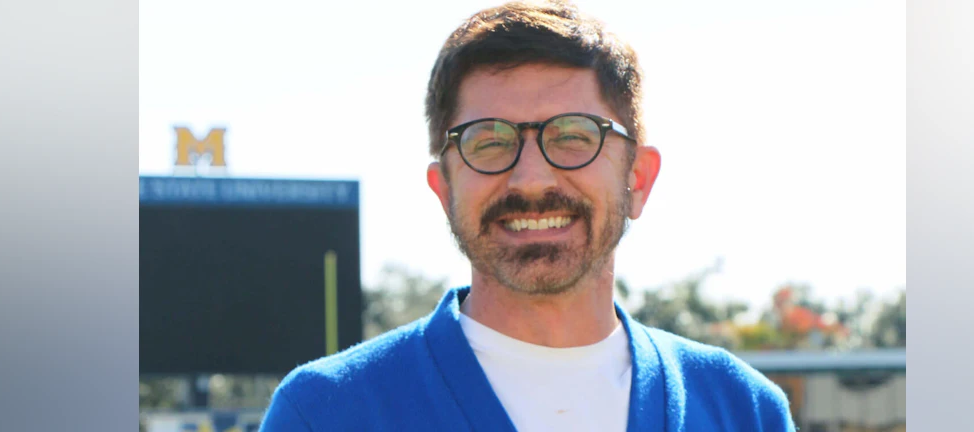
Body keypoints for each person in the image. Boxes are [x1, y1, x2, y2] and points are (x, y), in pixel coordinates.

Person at [260, 1, 794, 430]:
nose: (532, 179)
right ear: (443, 189)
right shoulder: (327, 413)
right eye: (488, 142)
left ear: (638, 179)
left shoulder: (743, 411)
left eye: (573, 136)